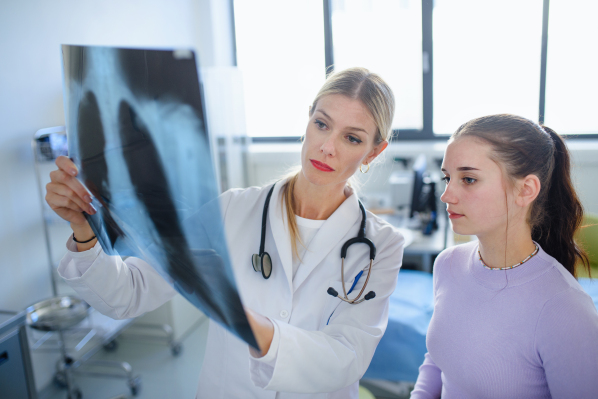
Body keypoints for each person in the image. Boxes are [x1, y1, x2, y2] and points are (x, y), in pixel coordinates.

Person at [46, 67, 405, 398]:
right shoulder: (233, 210)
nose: (327, 147)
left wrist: (238, 316)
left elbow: (347, 357)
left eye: (352, 139)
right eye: (322, 124)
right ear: (309, 118)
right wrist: (84, 231)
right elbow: (130, 293)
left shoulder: (381, 246)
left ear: (375, 151)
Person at [410, 114, 598, 399]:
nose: (446, 195)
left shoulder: (565, 309)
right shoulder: (447, 265)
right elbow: (438, 360)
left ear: (525, 190)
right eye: (447, 178)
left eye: (469, 179)